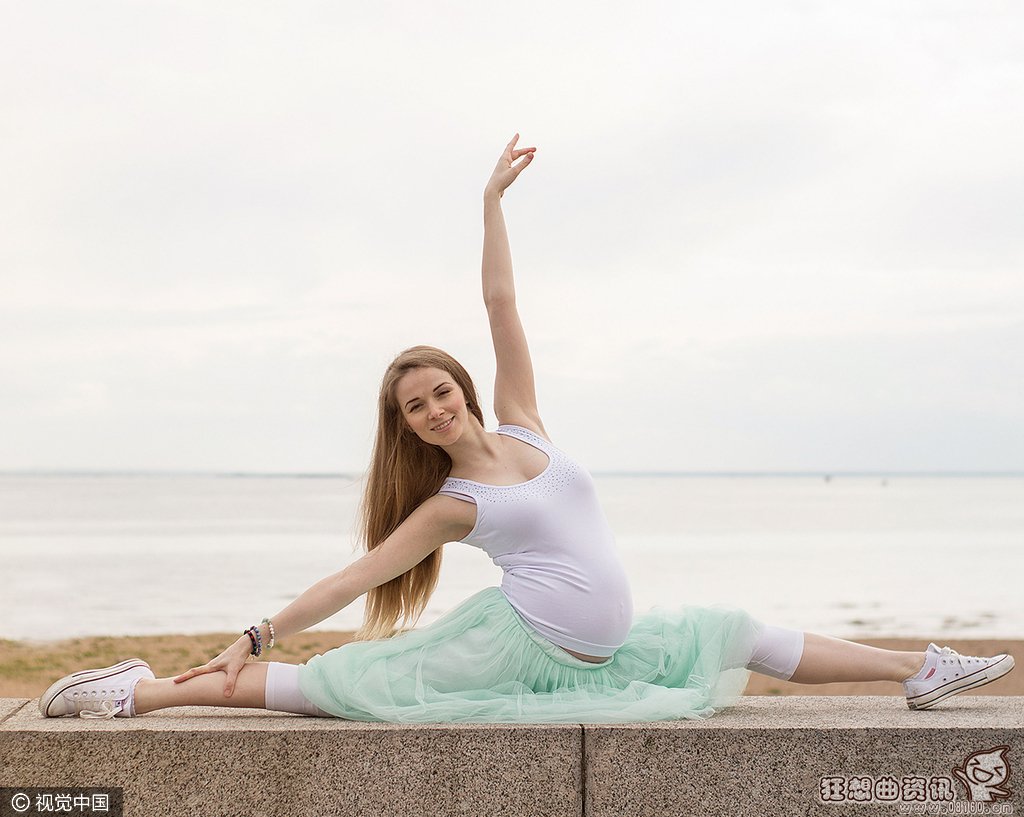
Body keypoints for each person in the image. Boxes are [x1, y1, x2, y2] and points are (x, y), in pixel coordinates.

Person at [40, 134, 1015, 722]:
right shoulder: (453, 504)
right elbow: (350, 580)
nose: (436, 405)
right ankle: (140, 693)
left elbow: (502, 304)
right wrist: (254, 632)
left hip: (615, 648)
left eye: (440, 388)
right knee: (340, 687)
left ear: (462, 388)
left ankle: (918, 669)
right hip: (513, 651)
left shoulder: (529, 426)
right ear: (413, 430)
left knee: (741, 632)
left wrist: (489, 203)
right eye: (417, 405)